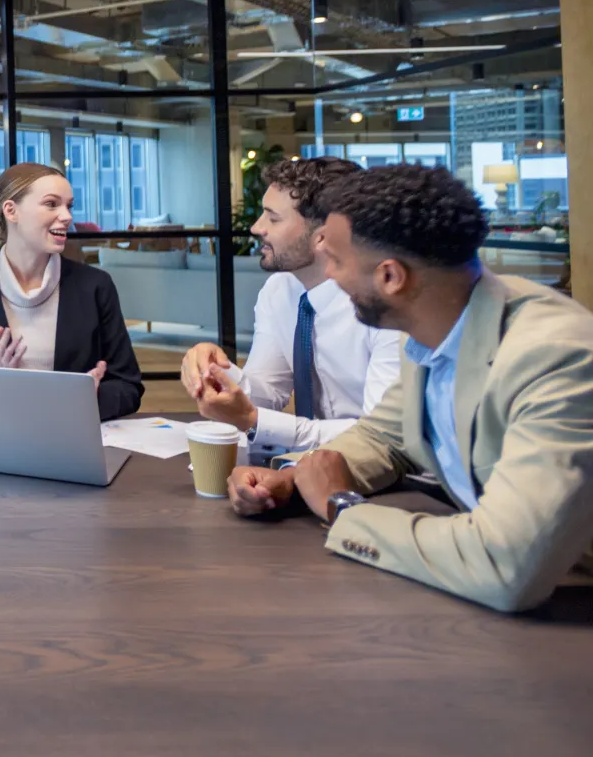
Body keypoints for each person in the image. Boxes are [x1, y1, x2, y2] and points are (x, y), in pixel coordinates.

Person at [227, 164, 593, 613]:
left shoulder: (556, 357)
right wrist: (291, 479)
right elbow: (384, 435)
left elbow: (507, 565)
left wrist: (343, 510)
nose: (330, 279)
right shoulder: (432, 324)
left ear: (390, 277)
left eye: (336, 262)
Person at [179, 158, 402, 460]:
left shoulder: (386, 305)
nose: (257, 228)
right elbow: (268, 394)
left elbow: (382, 439)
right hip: (309, 466)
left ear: (325, 234)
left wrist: (255, 422)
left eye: (273, 218)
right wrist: (216, 372)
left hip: (389, 475)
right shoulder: (279, 290)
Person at [0, 162, 143, 421]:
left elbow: (129, 387)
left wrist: (87, 399)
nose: (67, 216)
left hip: (74, 445)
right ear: (11, 211)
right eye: (52, 204)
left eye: (68, 206)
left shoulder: (96, 286)